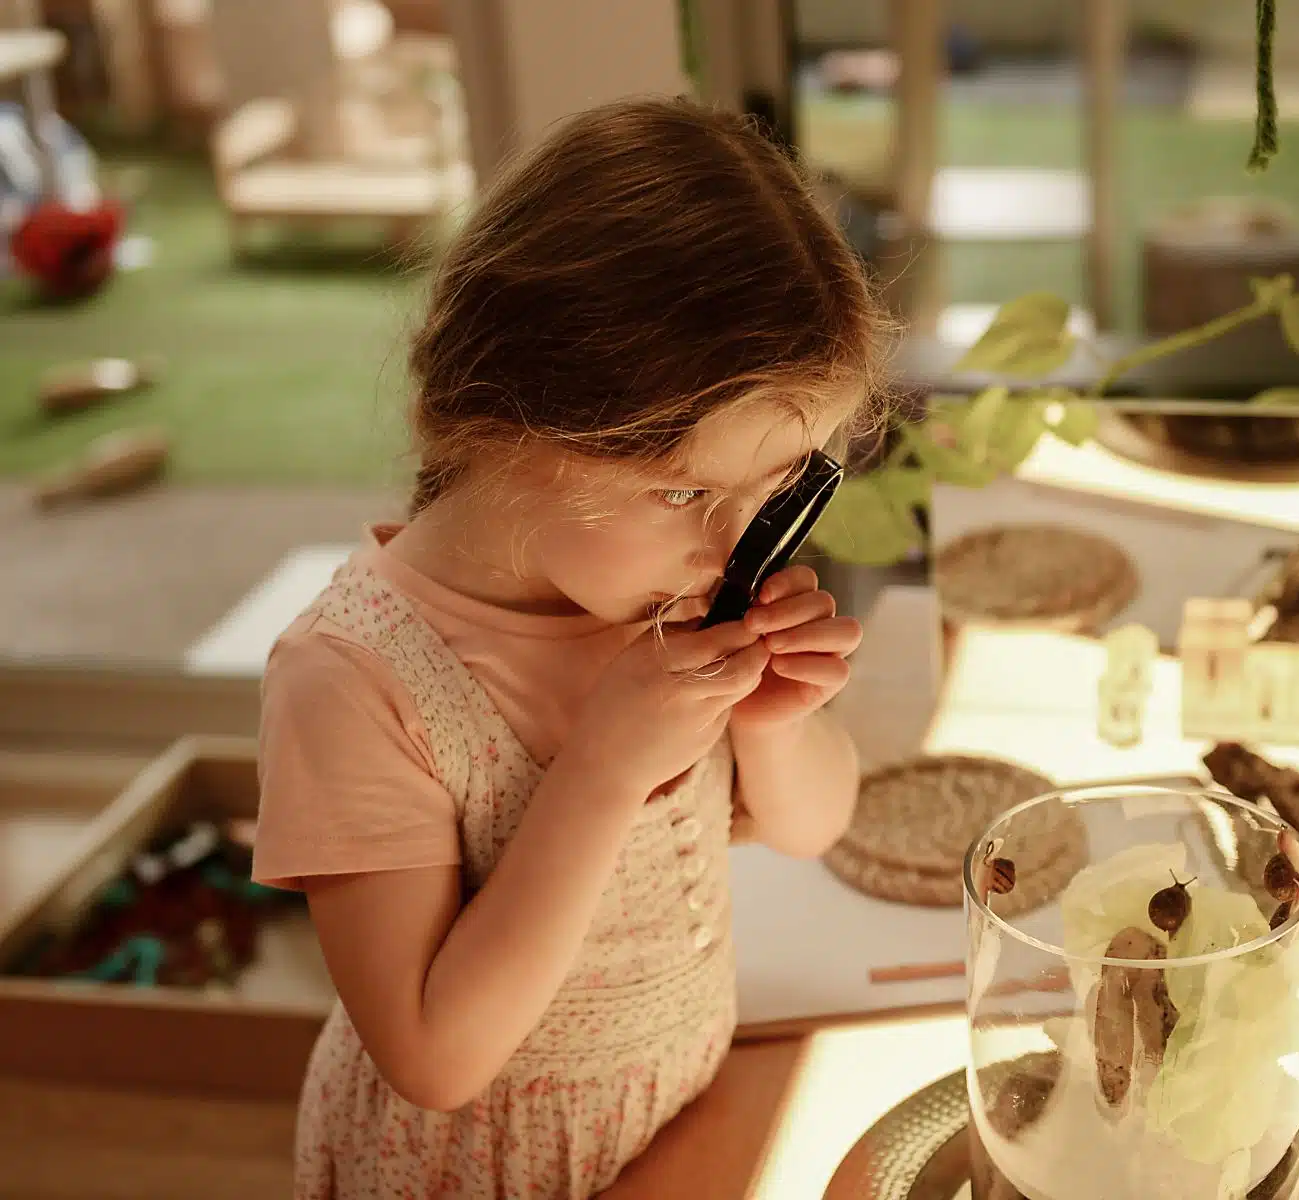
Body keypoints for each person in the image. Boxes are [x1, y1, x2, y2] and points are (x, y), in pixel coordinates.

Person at [251, 97, 891, 1198]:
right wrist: (604, 768)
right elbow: (433, 1057)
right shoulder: (353, 680)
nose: (732, 544)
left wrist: (774, 727)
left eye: (781, 485)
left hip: (674, 1127)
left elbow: (813, 827)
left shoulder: (662, 585)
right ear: (509, 426)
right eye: (684, 488)